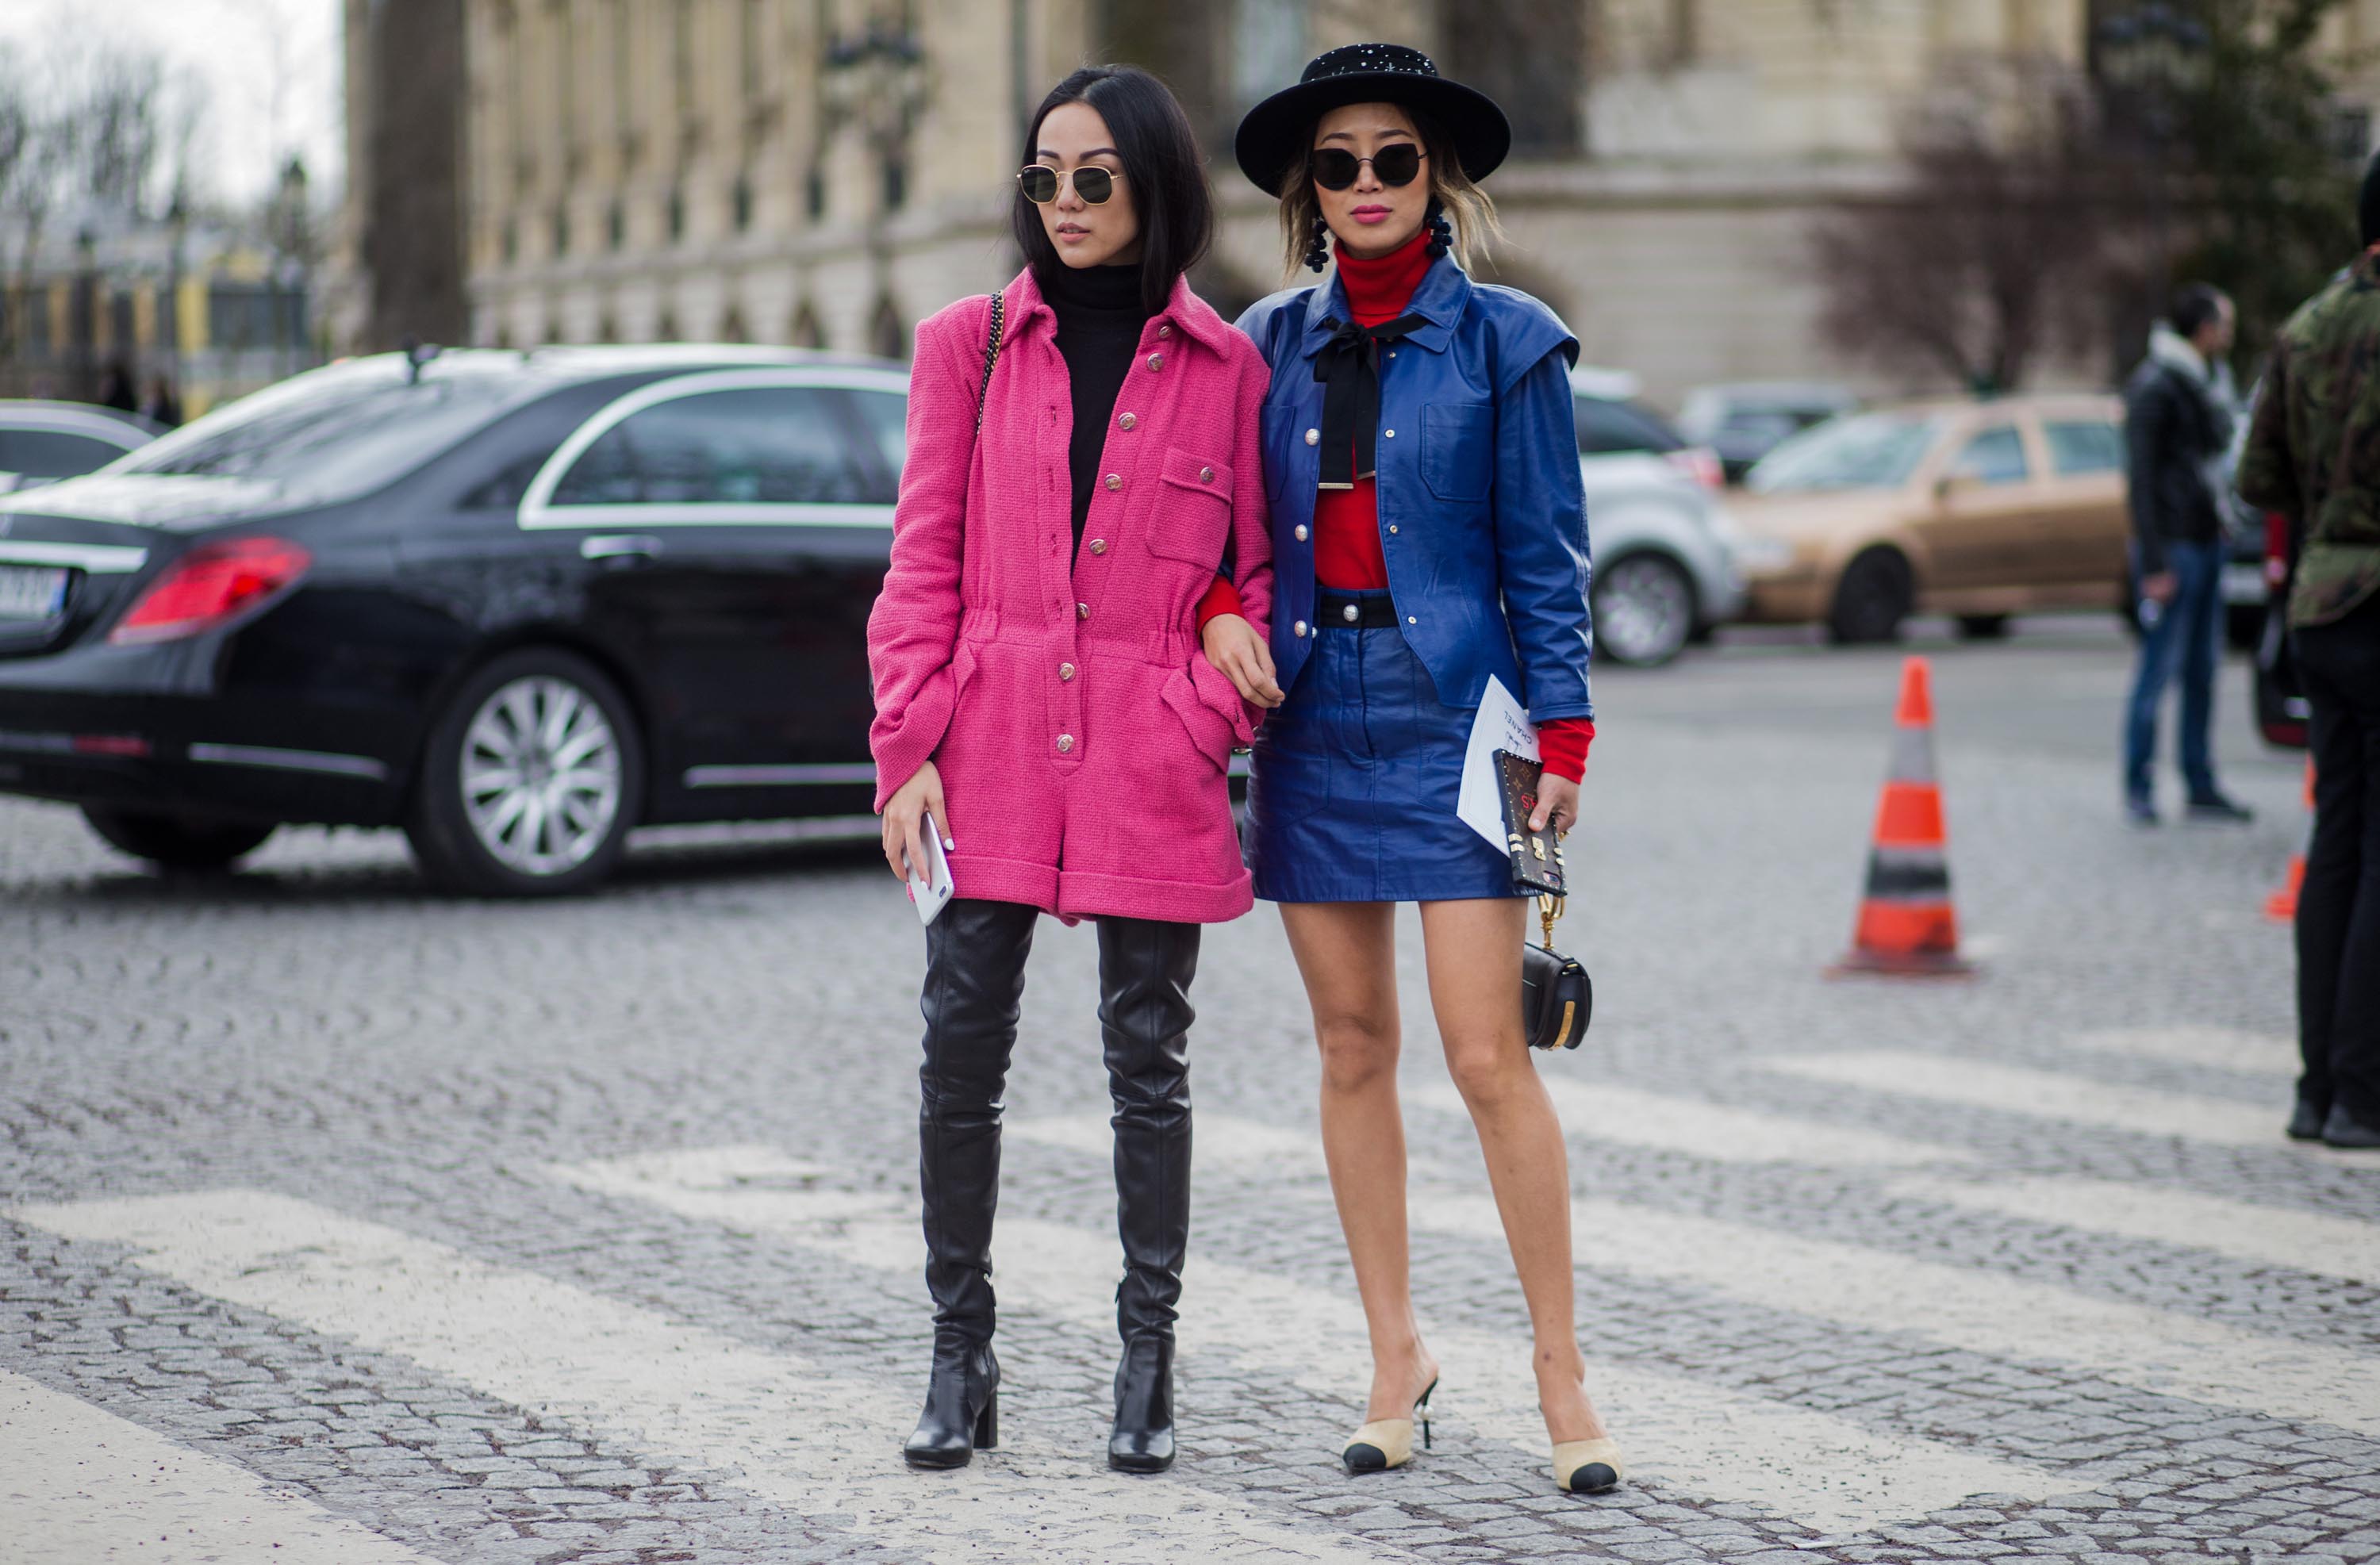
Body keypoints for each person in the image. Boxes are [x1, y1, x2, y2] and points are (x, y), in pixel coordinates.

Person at [866, 64, 1276, 1473]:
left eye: (1094, 176)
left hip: (1147, 757)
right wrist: (905, 749)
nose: (1065, 201)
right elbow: (921, 559)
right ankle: (957, 1349)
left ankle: (1147, 1355)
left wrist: (1212, 678)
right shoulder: (966, 345)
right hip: (982, 747)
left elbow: (1253, 574)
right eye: (1045, 176)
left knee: (1147, 1062)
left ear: (1156, 186)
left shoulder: (1231, 369)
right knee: (958, 1052)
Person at [1223, 44, 1621, 1496]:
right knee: (1350, 1046)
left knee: (1485, 1054)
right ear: (1309, 192)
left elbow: (1548, 557)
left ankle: (1560, 1365)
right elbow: (1224, 543)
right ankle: (1397, 1354)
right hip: (1314, 720)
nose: (1372, 183)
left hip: (1465, 727)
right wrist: (1220, 613)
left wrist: (1564, 734)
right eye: (1342, 161)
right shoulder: (1260, 343)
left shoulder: (1511, 341)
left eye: (1397, 157)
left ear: (1434, 177)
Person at [2236, 151, 2380, 1152]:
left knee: (2336, 842)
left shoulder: (2308, 325)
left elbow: (2258, 479)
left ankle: (2314, 1086)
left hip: (2322, 613)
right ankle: (2366, 1093)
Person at [2121, 285, 2254, 827]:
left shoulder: (2206, 383)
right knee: (2158, 671)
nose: (2229, 335)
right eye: (2224, 324)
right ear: (2202, 329)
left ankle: (2199, 783)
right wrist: (2153, 563)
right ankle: (2138, 785)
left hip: (2206, 539)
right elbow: (2141, 479)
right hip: (2173, 548)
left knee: (2202, 670)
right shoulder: (2155, 387)